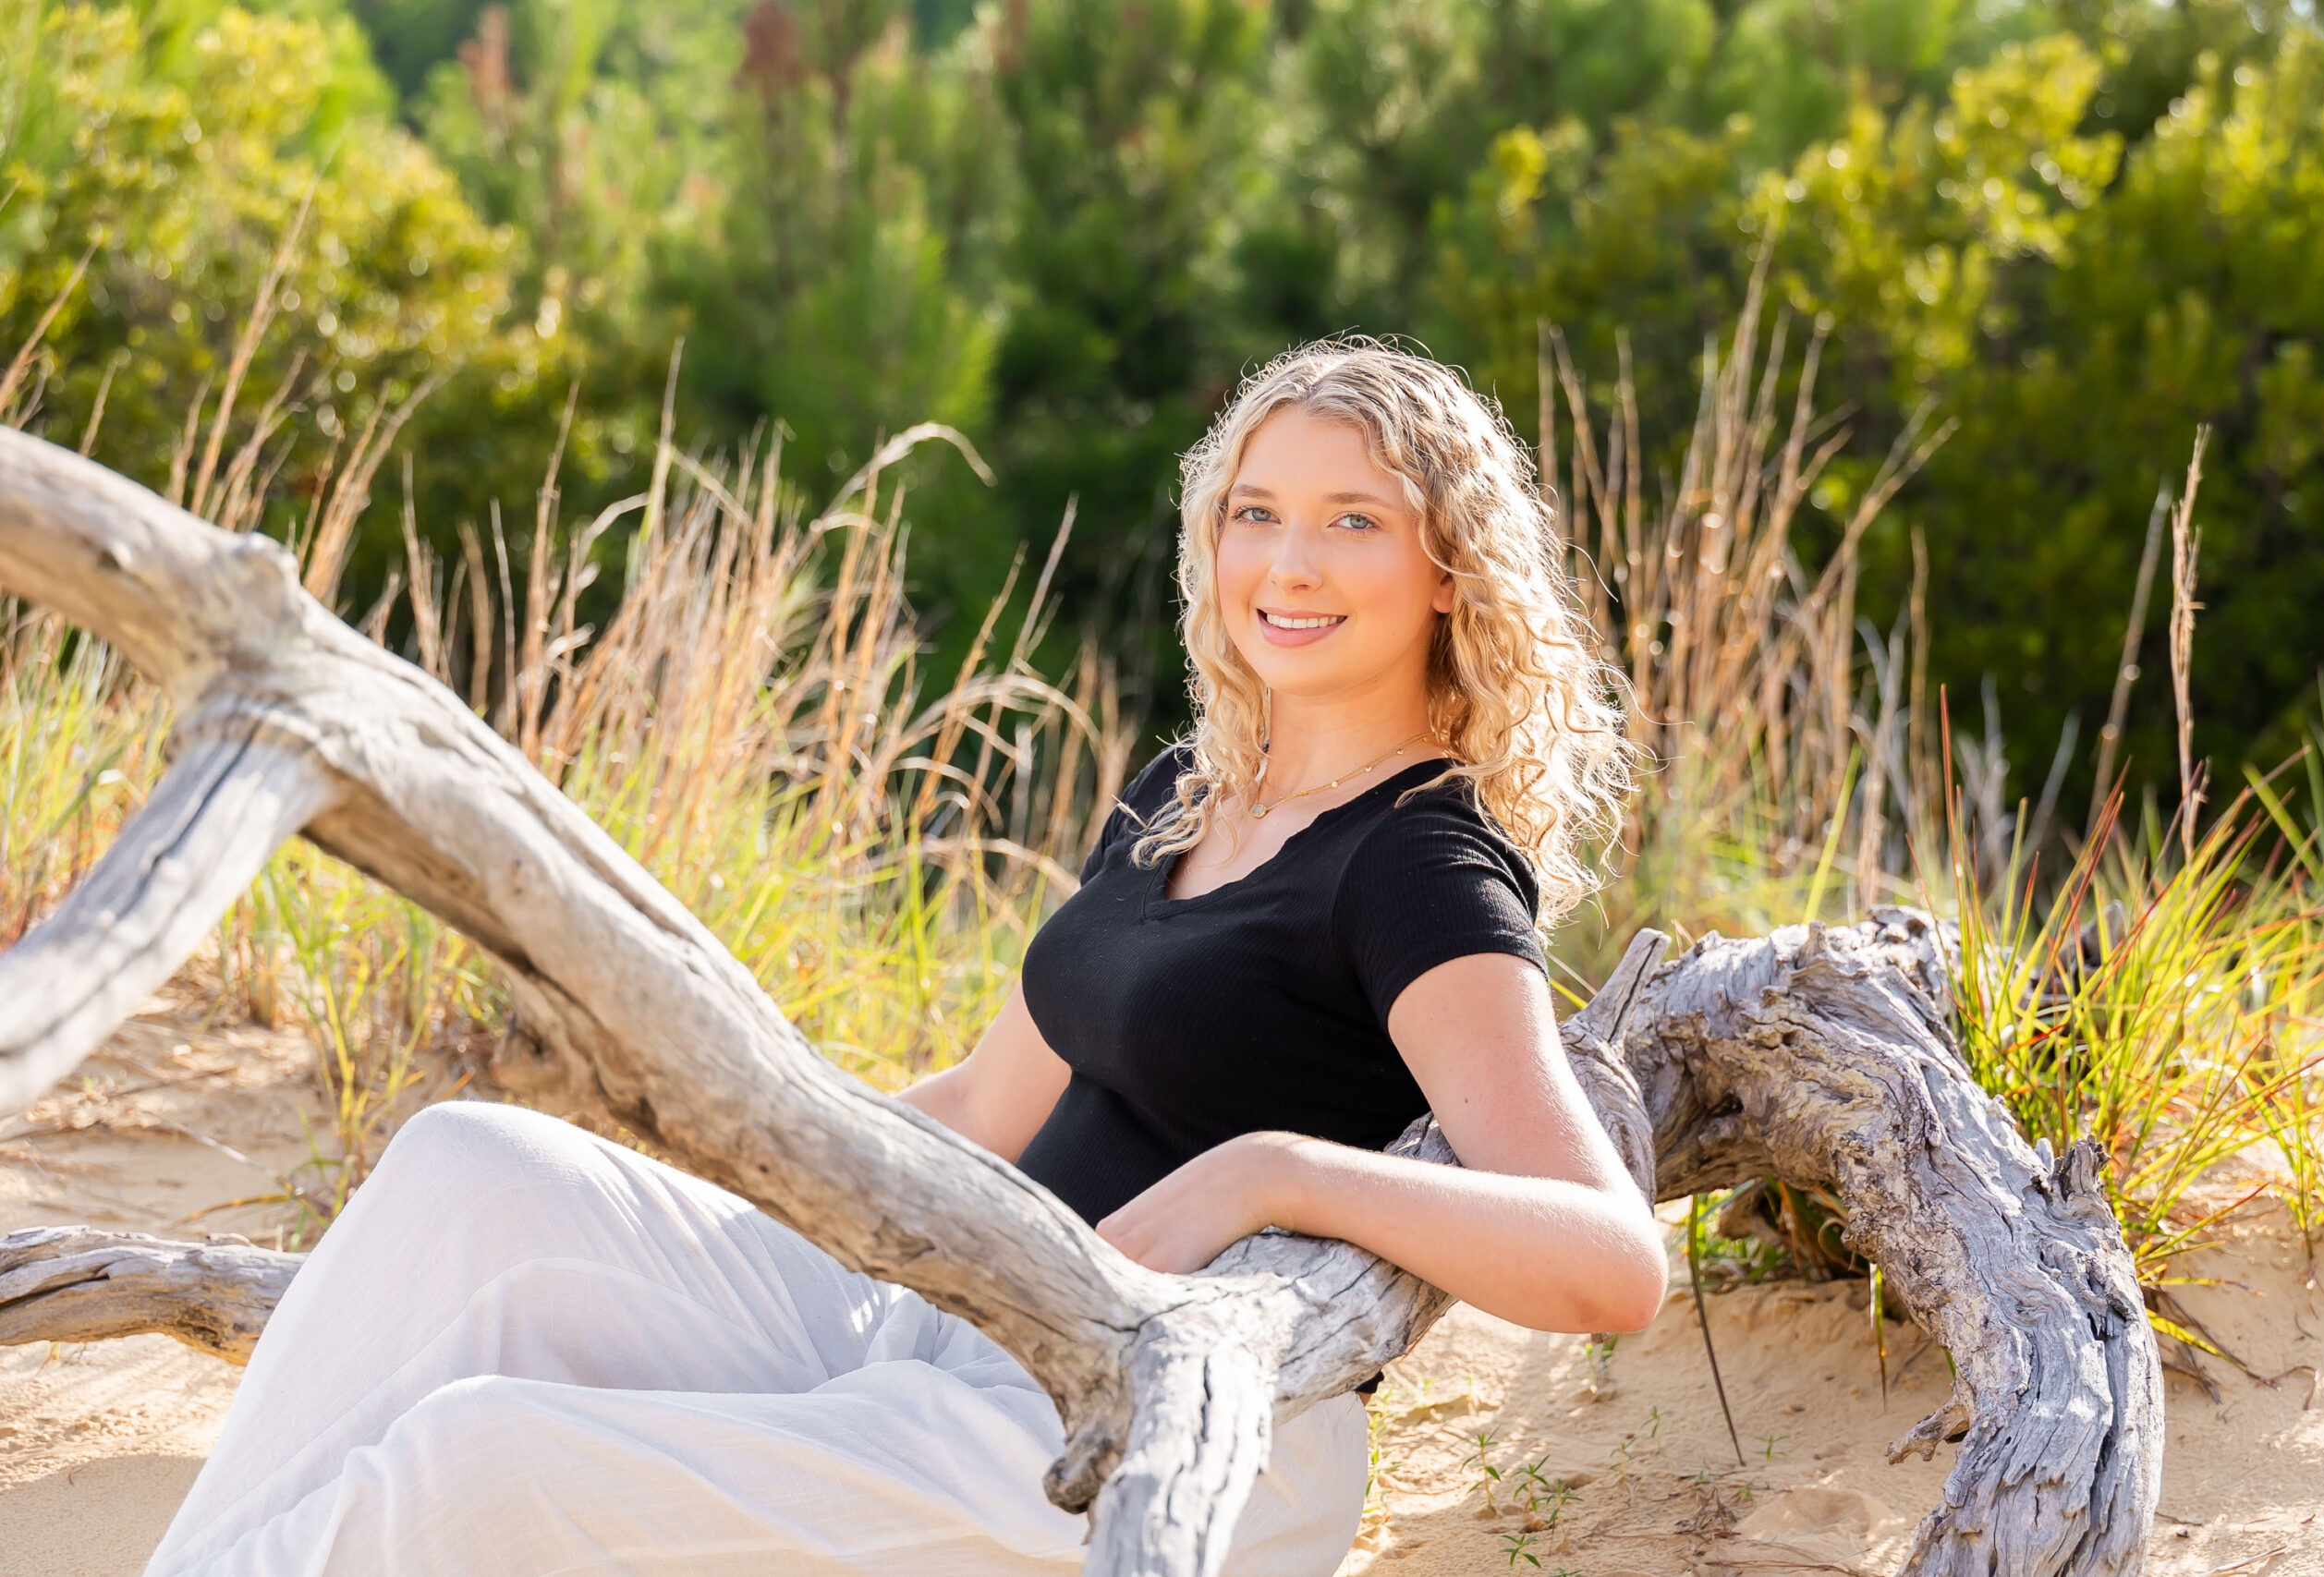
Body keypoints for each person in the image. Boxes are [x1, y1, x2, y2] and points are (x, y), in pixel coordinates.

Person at [140, 339, 1667, 1577]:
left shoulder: (1421, 864)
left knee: (482, 1466)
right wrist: (753, 1171)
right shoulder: (1186, 794)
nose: (1290, 558)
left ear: (1451, 573)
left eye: (1356, 519)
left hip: (1120, 1433)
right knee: (467, 1169)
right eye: (1255, 510)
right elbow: (984, 1110)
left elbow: (1608, 1264)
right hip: (943, 1303)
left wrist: (1268, 1171)